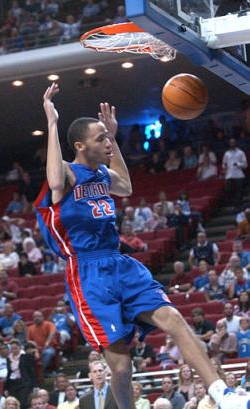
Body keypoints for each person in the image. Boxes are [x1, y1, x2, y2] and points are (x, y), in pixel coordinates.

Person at [34, 83, 248, 409]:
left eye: (108, 137)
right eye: (101, 138)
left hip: (120, 264)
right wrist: (51, 122)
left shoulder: (102, 175)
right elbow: (55, 182)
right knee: (120, 366)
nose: (108, 142)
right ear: (79, 146)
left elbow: (126, 185)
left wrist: (113, 141)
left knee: (175, 319)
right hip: (88, 272)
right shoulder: (68, 173)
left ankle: (223, 394)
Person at [5, 339, 36, 408]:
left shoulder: (26, 356)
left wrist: (34, 385)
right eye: (12, 348)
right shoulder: (9, 358)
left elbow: (31, 371)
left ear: (19, 347)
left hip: (24, 382)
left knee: (22, 403)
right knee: (14, 403)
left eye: (15, 348)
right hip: (12, 383)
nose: (14, 350)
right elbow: (9, 373)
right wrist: (6, 388)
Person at [222, 138, 248, 210]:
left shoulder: (241, 152)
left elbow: (245, 165)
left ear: (236, 143)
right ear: (229, 144)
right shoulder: (226, 153)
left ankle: (239, 206)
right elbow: (224, 163)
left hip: (238, 175)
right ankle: (235, 204)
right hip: (229, 175)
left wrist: (238, 164)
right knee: (229, 190)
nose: (232, 144)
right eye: (231, 142)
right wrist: (224, 167)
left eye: (233, 142)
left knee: (239, 191)